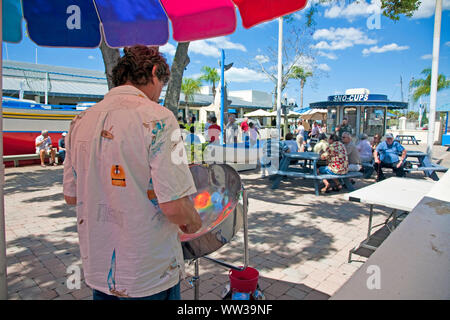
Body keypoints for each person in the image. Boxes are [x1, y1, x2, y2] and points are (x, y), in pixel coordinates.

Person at [63, 45, 202, 300]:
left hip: (99, 266)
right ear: (152, 72)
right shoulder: (160, 118)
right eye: (161, 84)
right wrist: (194, 221)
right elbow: (172, 205)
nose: (159, 94)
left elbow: (72, 196)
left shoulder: (79, 121)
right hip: (149, 272)